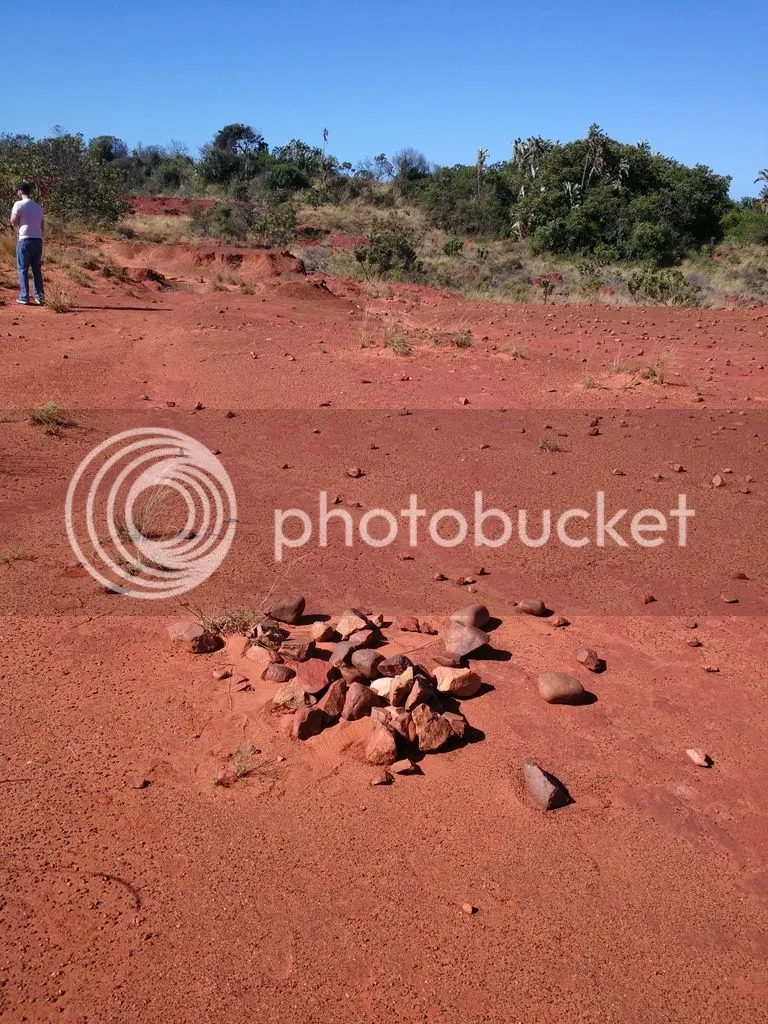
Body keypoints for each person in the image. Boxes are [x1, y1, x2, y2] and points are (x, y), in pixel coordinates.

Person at [10, 181, 45, 305]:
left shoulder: (18, 204)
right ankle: (40, 296)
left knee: (23, 268)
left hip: (25, 239)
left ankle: (24, 296)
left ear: (20, 191)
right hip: (37, 240)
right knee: (36, 269)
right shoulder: (38, 206)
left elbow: (13, 221)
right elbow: (42, 226)